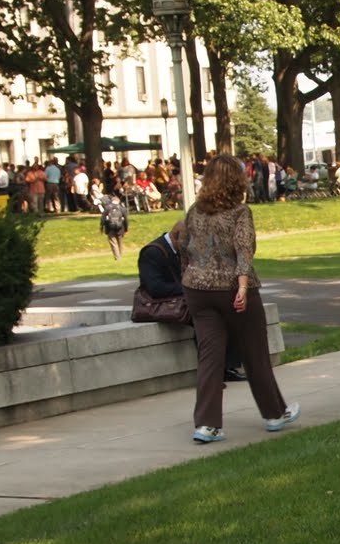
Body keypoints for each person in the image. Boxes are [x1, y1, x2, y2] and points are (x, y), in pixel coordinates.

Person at [177, 153, 298, 444]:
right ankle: (274, 413)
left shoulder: (195, 211)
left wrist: (190, 274)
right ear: (237, 180)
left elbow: (183, 245)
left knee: (209, 357)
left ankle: (207, 424)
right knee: (254, 353)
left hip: (198, 289)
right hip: (231, 288)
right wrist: (242, 287)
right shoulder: (240, 212)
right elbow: (244, 248)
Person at [138, 221, 246, 383]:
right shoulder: (152, 252)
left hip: (186, 299)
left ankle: (227, 367)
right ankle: (211, 374)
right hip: (164, 304)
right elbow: (155, 287)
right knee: (208, 321)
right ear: (176, 237)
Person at [99, 190, 129, 259]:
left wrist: (102, 227)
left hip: (110, 227)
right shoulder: (122, 209)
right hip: (120, 228)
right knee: (120, 242)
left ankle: (117, 256)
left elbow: (103, 218)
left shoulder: (107, 208)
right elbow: (126, 220)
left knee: (113, 241)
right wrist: (126, 229)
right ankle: (120, 255)